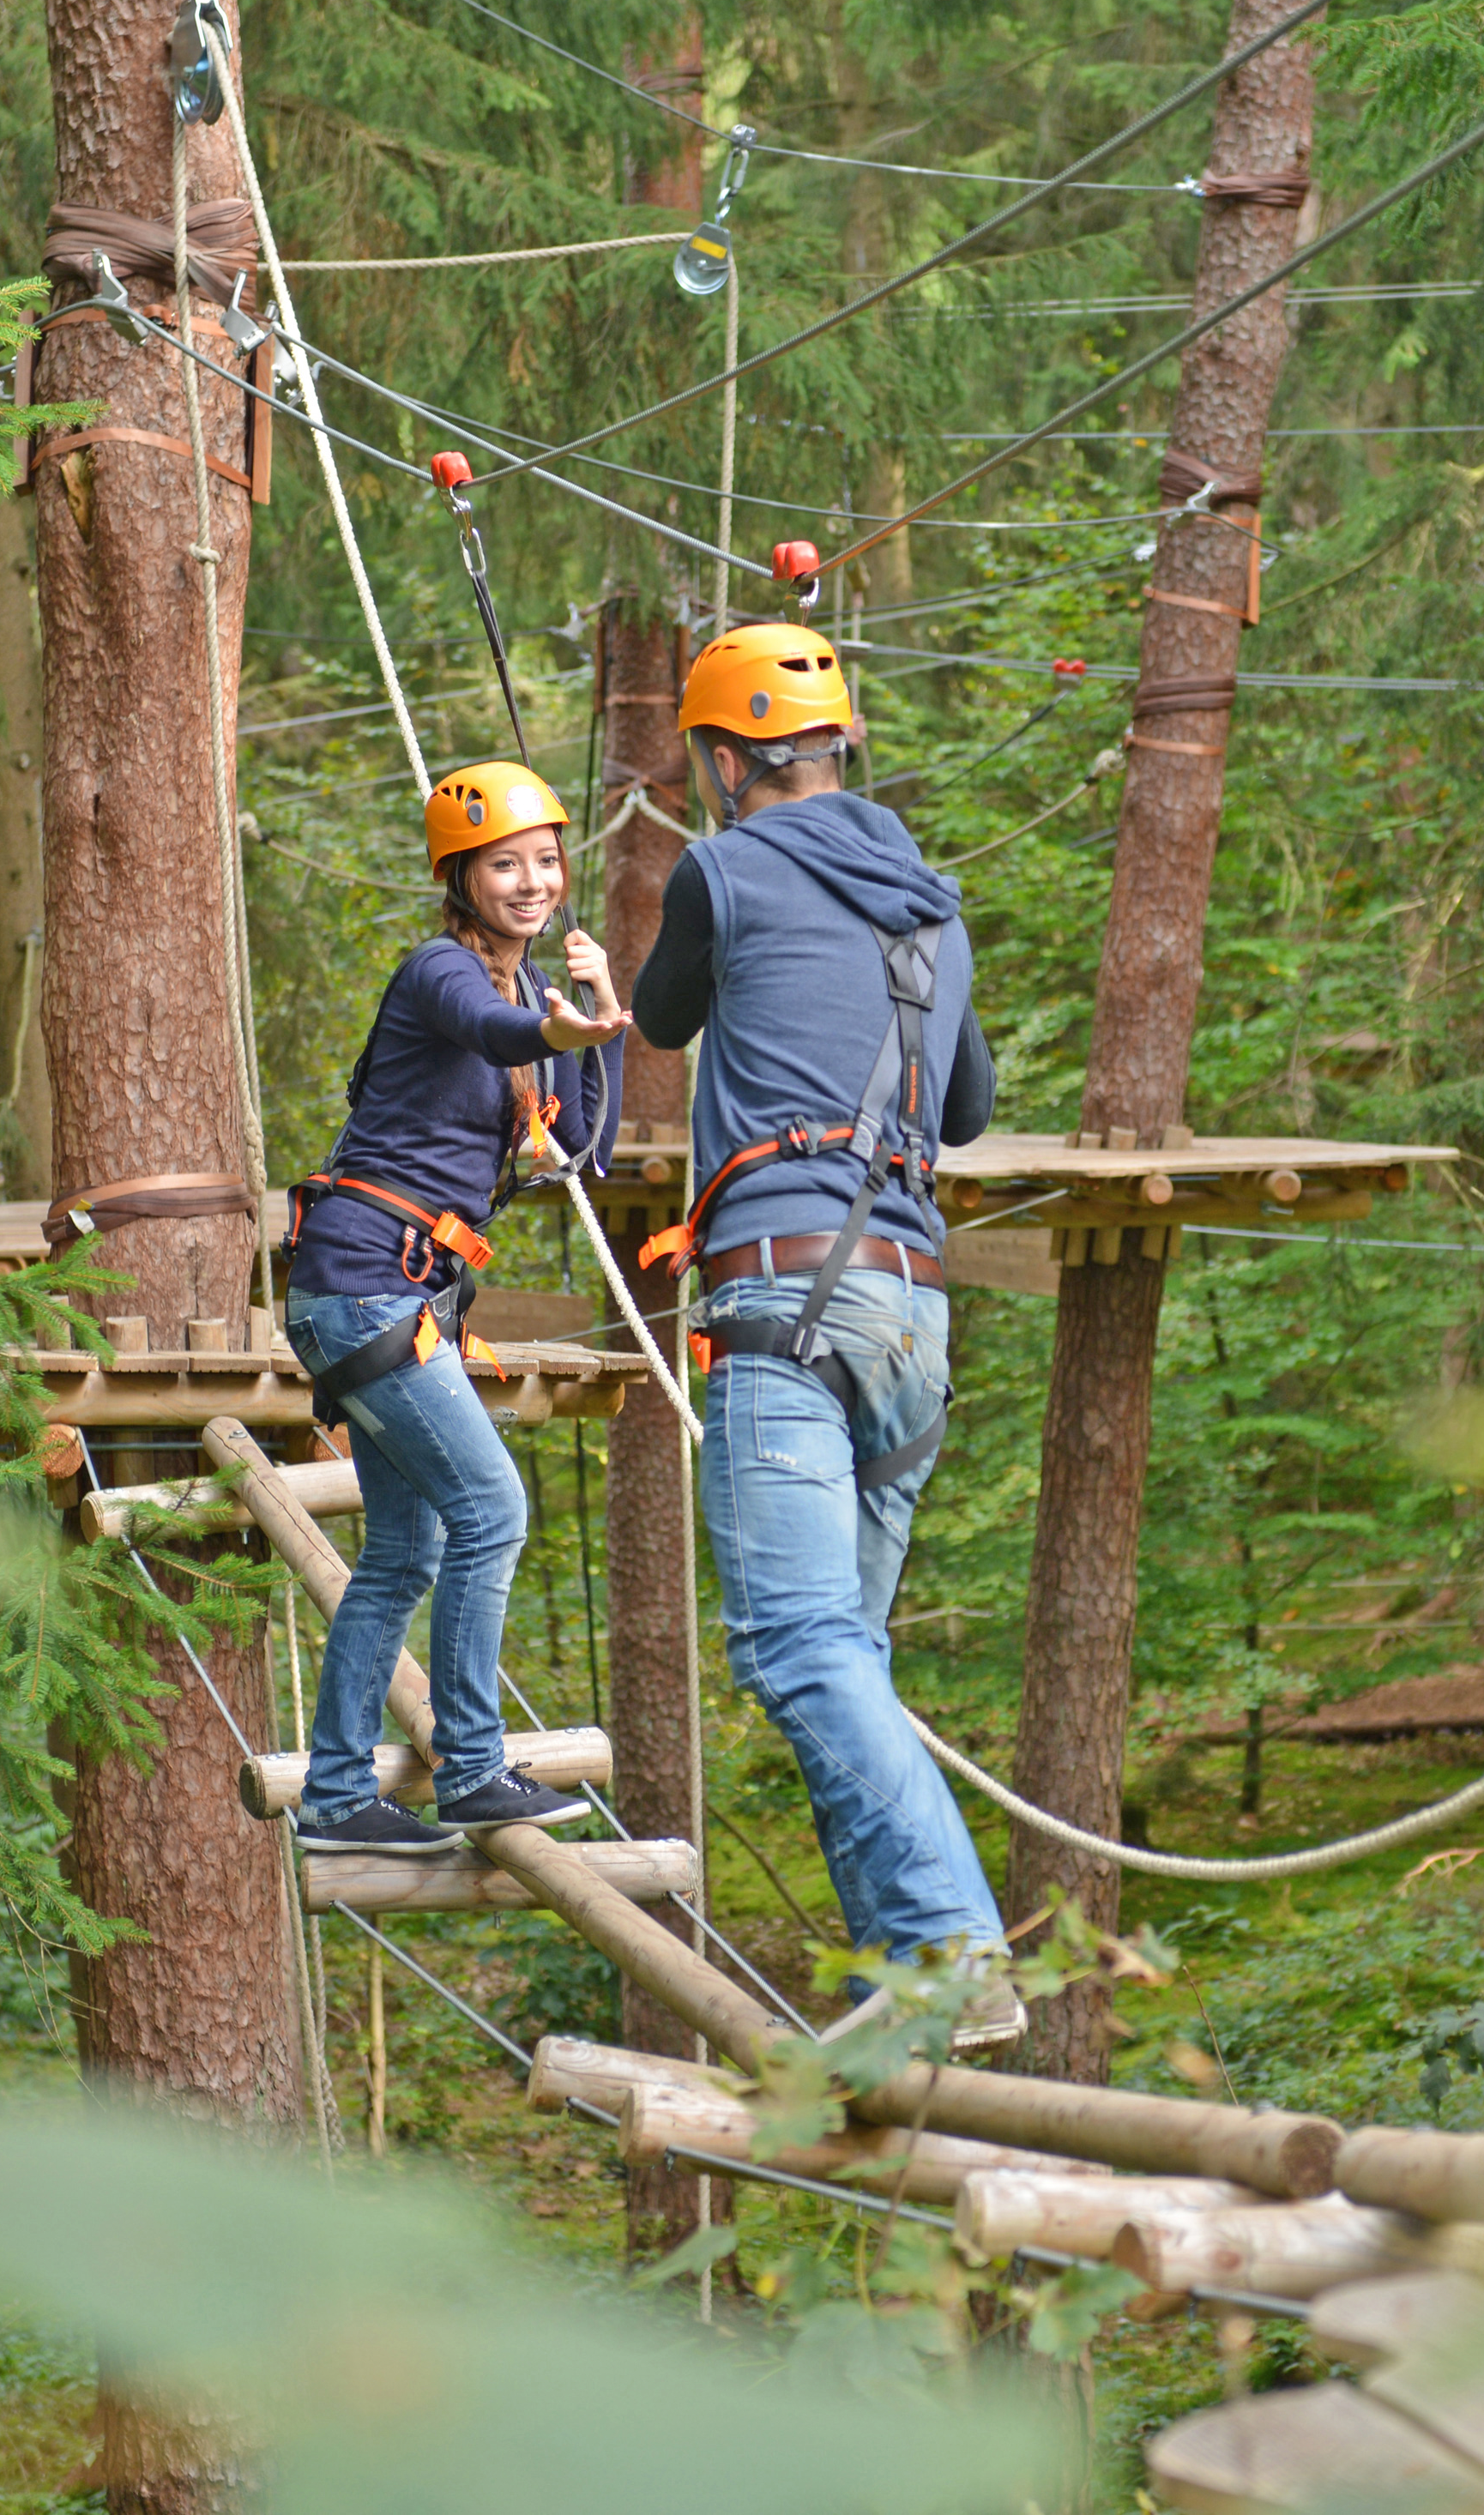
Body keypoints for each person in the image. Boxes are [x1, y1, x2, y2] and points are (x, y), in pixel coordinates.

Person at [628, 622, 1021, 2049]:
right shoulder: (934, 904)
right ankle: (905, 1986)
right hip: (911, 1312)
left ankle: (955, 1949)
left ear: (728, 760)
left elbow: (663, 1019)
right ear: (840, 745)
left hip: (787, 1299)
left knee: (799, 1647)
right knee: (843, 1651)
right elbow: (964, 1109)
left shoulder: (721, 866)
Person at [278, 761, 628, 1856]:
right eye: (504, 865)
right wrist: (564, 1034)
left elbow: (579, 1154)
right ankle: (473, 1767)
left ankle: (336, 1798)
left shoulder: (538, 998)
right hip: (363, 1281)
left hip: (389, 1293)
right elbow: (493, 1033)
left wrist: (601, 1025)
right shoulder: (441, 973)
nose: (530, 882)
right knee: (494, 1510)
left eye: (544, 861)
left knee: (404, 1553)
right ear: (461, 876)